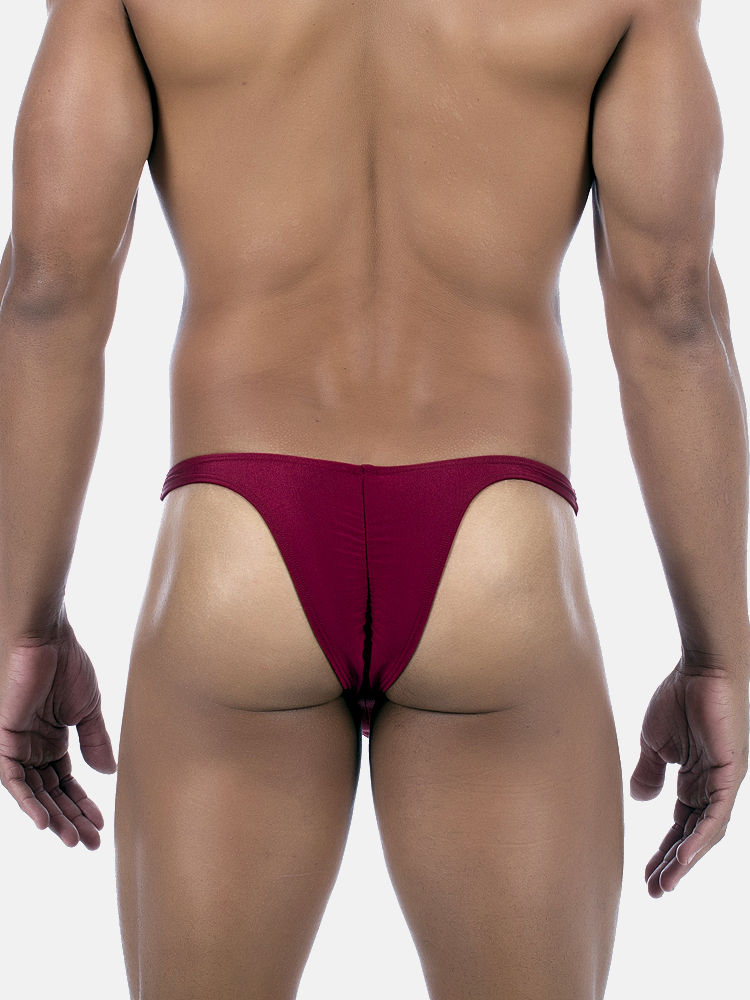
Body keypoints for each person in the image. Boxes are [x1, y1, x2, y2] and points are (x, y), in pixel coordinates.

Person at [0, 0, 747, 998]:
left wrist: (23, 627)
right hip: (500, 555)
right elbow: (673, 316)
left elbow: (48, 295)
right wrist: (718, 657)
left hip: (234, 551)